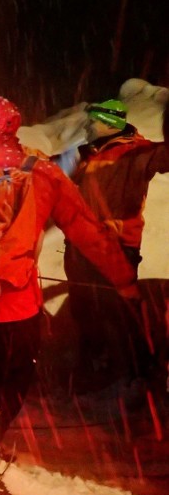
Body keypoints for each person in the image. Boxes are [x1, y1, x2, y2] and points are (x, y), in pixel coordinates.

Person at [0, 97, 138, 495]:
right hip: (15, 306)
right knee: (11, 380)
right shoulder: (42, 171)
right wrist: (125, 280)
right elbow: (87, 231)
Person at [63, 98, 169, 387]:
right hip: (80, 245)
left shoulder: (138, 152)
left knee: (121, 310)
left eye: (93, 121)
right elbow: (47, 172)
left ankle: (139, 372)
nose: (86, 126)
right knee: (84, 307)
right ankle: (93, 365)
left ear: (110, 123)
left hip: (118, 245)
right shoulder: (84, 154)